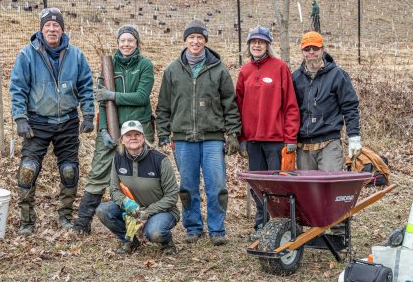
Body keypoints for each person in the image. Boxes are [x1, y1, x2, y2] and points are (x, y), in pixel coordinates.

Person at [9, 7, 95, 236]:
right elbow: (17, 88)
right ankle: (27, 221)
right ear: (41, 29)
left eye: (56, 25)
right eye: (47, 25)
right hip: (37, 122)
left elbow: (86, 86)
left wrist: (88, 114)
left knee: (69, 170)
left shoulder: (76, 55)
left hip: (67, 121)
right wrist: (20, 117)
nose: (52, 29)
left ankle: (65, 216)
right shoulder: (27, 55)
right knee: (28, 170)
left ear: (62, 29)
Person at [156, 19, 241, 246]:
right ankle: (193, 226)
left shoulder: (219, 69)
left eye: (199, 38)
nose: (195, 41)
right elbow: (163, 105)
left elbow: (230, 104)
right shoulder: (173, 70)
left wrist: (233, 132)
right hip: (183, 139)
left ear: (205, 41)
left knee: (217, 185)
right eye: (191, 37)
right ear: (185, 40)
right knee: (187, 186)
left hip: (212, 137)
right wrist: (163, 132)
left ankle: (217, 229)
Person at [73, 25, 154, 234]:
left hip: (136, 130)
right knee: (98, 173)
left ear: (137, 44)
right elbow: (101, 100)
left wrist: (114, 96)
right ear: (118, 43)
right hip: (110, 128)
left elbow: (141, 97)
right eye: (122, 41)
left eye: (130, 41)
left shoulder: (144, 65)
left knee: (137, 177)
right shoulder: (108, 65)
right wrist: (102, 130)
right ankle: (82, 223)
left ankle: (142, 224)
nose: (126, 44)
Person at [235, 26, 300, 240]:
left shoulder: (280, 68)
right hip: (253, 141)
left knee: (277, 186)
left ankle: (281, 225)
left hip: (275, 140)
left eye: (261, 42)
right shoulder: (244, 72)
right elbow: (237, 106)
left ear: (267, 45)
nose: (256, 45)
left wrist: (290, 138)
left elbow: (290, 105)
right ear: (249, 46)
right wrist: (241, 138)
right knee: (258, 186)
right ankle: (261, 225)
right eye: (253, 42)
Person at [96, 120, 179, 254]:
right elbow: (114, 190)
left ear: (143, 138)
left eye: (137, 134)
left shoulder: (160, 160)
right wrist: (126, 203)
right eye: (128, 135)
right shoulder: (117, 159)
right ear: (122, 140)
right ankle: (130, 240)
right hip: (131, 210)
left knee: (154, 233)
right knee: (103, 210)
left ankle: (166, 242)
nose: (133, 138)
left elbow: (172, 196)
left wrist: (147, 212)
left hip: (161, 210)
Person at [292, 31, 361, 172]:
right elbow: (289, 110)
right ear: (302, 52)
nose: (311, 52)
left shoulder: (337, 75)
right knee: (308, 191)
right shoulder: (295, 78)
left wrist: (354, 136)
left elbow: (349, 107)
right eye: (307, 49)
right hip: (303, 146)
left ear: (322, 49)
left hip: (329, 143)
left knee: (330, 188)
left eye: (315, 48)